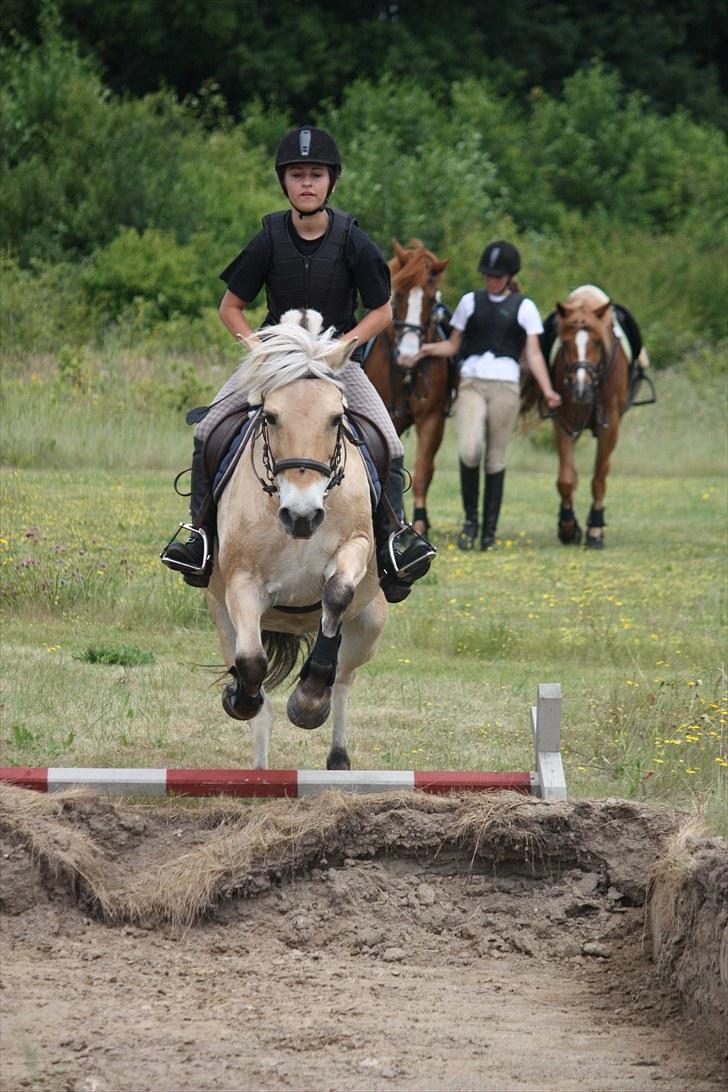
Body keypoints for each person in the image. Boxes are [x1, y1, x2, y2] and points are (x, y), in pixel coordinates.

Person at [161, 125, 435, 602]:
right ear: (283, 182)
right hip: (276, 365)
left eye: (316, 174)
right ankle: (199, 538)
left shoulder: (353, 240)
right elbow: (230, 307)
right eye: (297, 174)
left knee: (390, 444)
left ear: (331, 181)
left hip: (337, 364)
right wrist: (258, 348)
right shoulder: (268, 238)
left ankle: (394, 542)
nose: (307, 183)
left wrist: (343, 346)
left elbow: (382, 311)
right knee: (207, 431)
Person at [411, 240, 561, 551]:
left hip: (506, 385)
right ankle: (471, 522)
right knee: (469, 450)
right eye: (488, 275)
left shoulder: (525, 307)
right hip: (472, 383)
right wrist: (425, 350)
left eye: (497, 276)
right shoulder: (470, 302)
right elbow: (454, 345)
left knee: (495, 458)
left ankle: (488, 531)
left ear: (509, 277)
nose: (491, 280)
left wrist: (548, 390)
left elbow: (533, 355)